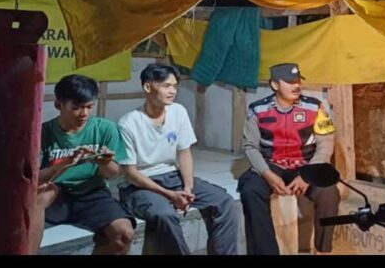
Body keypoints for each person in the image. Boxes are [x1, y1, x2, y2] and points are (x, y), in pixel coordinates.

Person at [117, 63, 239, 255]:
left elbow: (184, 152)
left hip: (172, 177)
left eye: (175, 86)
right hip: (139, 185)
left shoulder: (178, 111)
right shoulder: (128, 123)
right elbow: (130, 173)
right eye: (166, 86)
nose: (172, 91)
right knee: (164, 215)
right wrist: (169, 195)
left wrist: (188, 188)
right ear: (148, 87)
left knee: (224, 201)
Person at [238, 63, 341, 255]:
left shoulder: (315, 107)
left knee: (329, 192)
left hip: (305, 165)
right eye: (290, 82)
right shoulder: (257, 109)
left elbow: (326, 143)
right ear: (275, 85)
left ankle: (323, 250)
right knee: (250, 190)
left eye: (298, 81)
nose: (296, 86)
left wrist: (308, 175)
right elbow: (250, 146)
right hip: (271, 164)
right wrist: (267, 175)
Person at [29, 74, 136, 254]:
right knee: (39, 198)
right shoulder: (42, 132)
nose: (84, 113)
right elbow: (31, 180)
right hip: (56, 191)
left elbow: (113, 174)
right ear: (58, 105)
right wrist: (63, 164)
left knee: (124, 234)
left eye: (89, 107)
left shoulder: (105, 129)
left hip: (92, 192)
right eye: (76, 108)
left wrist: (104, 162)